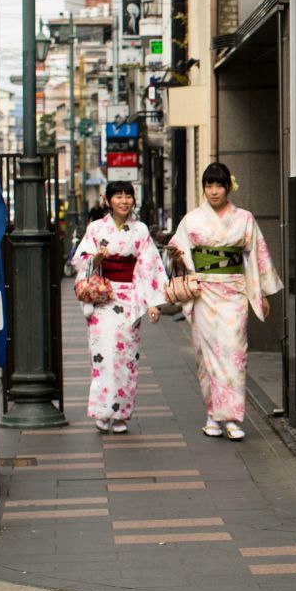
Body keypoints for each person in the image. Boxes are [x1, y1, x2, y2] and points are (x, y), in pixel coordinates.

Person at [168, 162, 282, 441]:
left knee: (234, 353)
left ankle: (231, 417)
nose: (214, 191)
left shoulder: (244, 219)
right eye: (209, 185)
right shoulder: (192, 220)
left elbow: (257, 256)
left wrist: (262, 293)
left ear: (228, 187)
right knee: (206, 356)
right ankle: (212, 415)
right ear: (204, 188)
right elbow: (177, 249)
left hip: (234, 292)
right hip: (204, 293)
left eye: (219, 185)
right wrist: (178, 256)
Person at [70, 181, 170, 434]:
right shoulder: (96, 228)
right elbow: (79, 260)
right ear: (108, 200)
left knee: (126, 357)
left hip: (130, 298)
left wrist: (153, 304)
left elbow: (149, 266)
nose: (124, 201)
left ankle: (122, 413)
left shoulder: (140, 230)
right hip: (104, 296)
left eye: (128, 196)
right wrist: (96, 259)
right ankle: (103, 412)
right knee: (102, 355)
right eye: (118, 196)